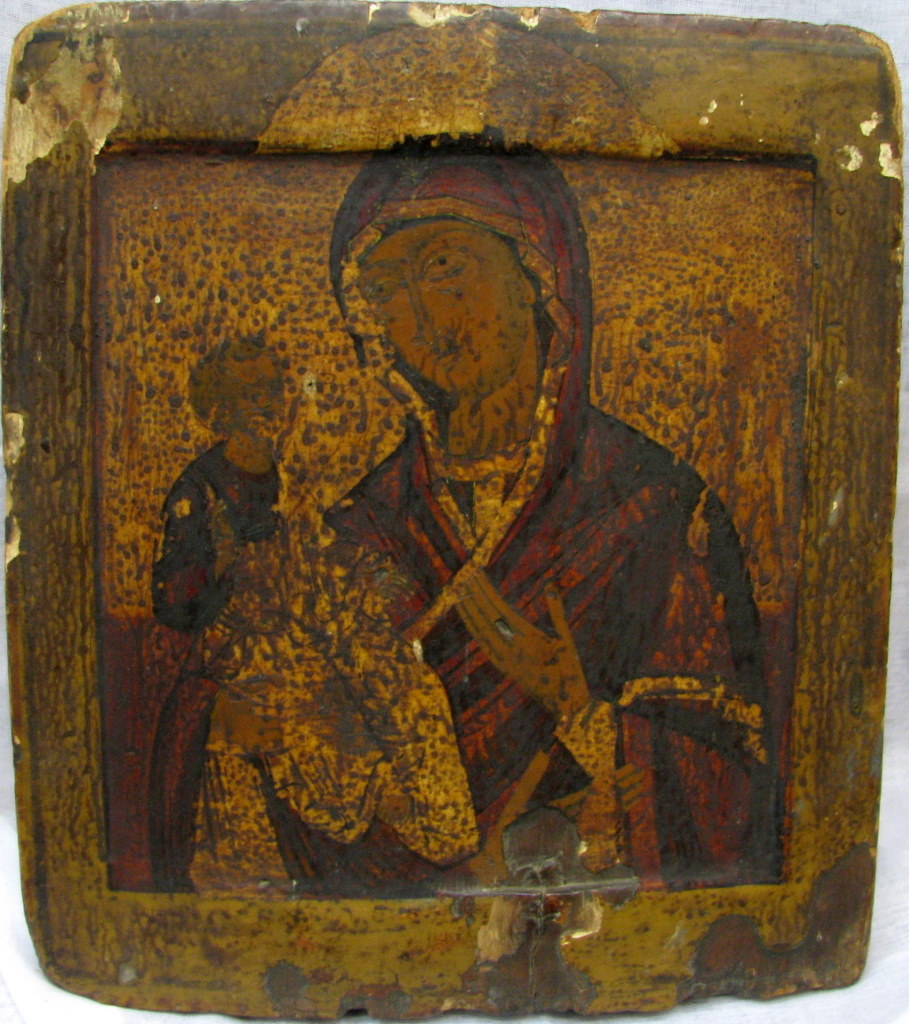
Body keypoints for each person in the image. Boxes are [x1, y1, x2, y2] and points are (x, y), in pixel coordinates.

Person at [322, 138, 780, 891]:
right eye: (387, 290)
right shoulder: (357, 531)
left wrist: (579, 709)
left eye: (444, 268)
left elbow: (730, 778)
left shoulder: (657, 510)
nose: (421, 317)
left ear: (537, 275)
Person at [149, 334, 478, 893]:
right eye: (250, 394)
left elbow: (317, 551)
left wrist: (365, 576)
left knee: (408, 684)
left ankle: (441, 822)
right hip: (245, 643)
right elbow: (175, 602)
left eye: (273, 390)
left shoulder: (286, 476)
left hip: (310, 621)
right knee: (321, 706)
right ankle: (378, 804)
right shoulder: (199, 491)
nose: (268, 405)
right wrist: (222, 568)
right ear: (220, 411)